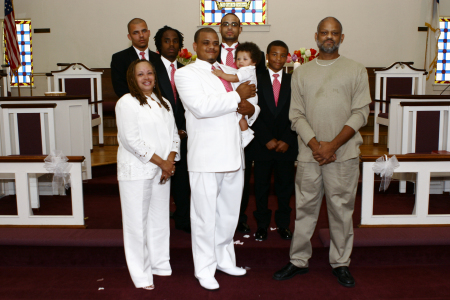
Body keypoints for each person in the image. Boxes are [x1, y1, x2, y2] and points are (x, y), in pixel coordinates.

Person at [273, 17, 370, 288]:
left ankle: (340, 263)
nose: (329, 37)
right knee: (305, 209)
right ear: (316, 36)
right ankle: (298, 260)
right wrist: (317, 145)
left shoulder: (356, 70)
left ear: (342, 37)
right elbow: (296, 115)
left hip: (344, 154)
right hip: (309, 155)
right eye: (324, 33)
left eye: (334, 33)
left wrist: (333, 145)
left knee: (341, 210)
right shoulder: (301, 72)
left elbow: (361, 112)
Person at [174, 27, 258, 291]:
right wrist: (237, 96)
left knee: (228, 215)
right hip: (207, 157)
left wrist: (250, 108)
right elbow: (201, 108)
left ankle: (224, 259)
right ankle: (204, 268)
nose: (211, 46)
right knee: (204, 217)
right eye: (206, 43)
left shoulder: (229, 71)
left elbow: (250, 106)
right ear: (196, 45)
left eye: (215, 43)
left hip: (234, 153)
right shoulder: (186, 73)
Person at [115, 59, 180, 290]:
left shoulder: (163, 102)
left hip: (162, 169)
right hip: (137, 170)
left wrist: (170, 160)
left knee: (160, 220)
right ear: (132, 78)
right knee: (137, 224)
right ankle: (141, 275)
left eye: (150, 73)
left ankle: (160, 264)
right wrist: (162, 162)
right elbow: (131, 140)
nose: (146, 77)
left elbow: (174, 134)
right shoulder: (127, 102)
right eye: (140, 74)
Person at [217, 12, 266, 234]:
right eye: (225, 24)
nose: (229, 28)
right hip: (216, 121)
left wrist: (253, 109)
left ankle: (240, 217)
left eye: (234, 24)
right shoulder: (209, 51)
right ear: (220, 27)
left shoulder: (255, 57)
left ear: (240, 28)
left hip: (243, 115)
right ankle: (217, 216)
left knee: (242, 174)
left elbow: (261, 91)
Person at [248, 40, 297, 242]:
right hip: (262, 144)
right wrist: (266, 138)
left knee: (285, 188)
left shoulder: (293, 80)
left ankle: (284, 225)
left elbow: (299, 112)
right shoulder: (255, 80)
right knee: (261, 187)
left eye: (282, 55)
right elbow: (251, 111)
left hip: (287, 144)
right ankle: (261, 226)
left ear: (287, 57)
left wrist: (287, 138)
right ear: (267, 56)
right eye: (274, 54)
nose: (278, 58)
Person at [150, 25, 191, 234]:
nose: (172, 44)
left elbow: (191, 104)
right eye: (167, 40)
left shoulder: (187, 70)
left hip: (185, 135)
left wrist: (183, 129)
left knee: (183, 180)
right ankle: (157, 222)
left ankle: (184, 220)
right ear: (158, 45)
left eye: (175, 41)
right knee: (159, 179)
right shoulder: (150, 70)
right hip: (160, 135)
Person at [212, 42, 262, 147]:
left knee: (240, 116)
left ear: (254, 61)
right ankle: (245, 132)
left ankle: (245, 134)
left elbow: (235, 78)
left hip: (249, 98)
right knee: (240, 116)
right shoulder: (247, 69)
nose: (240, 62)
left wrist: (221, 74)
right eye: (238, 59)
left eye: (245, 59)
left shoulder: (246, 70)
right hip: (248, 96)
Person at [111, 18, 159, 98]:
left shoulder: (158, 58)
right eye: (136, 33)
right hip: (133, 103)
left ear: (149, 33)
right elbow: (120, 88)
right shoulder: (119, 58)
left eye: (144, 31)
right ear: (129, 37)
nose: (141, 35)